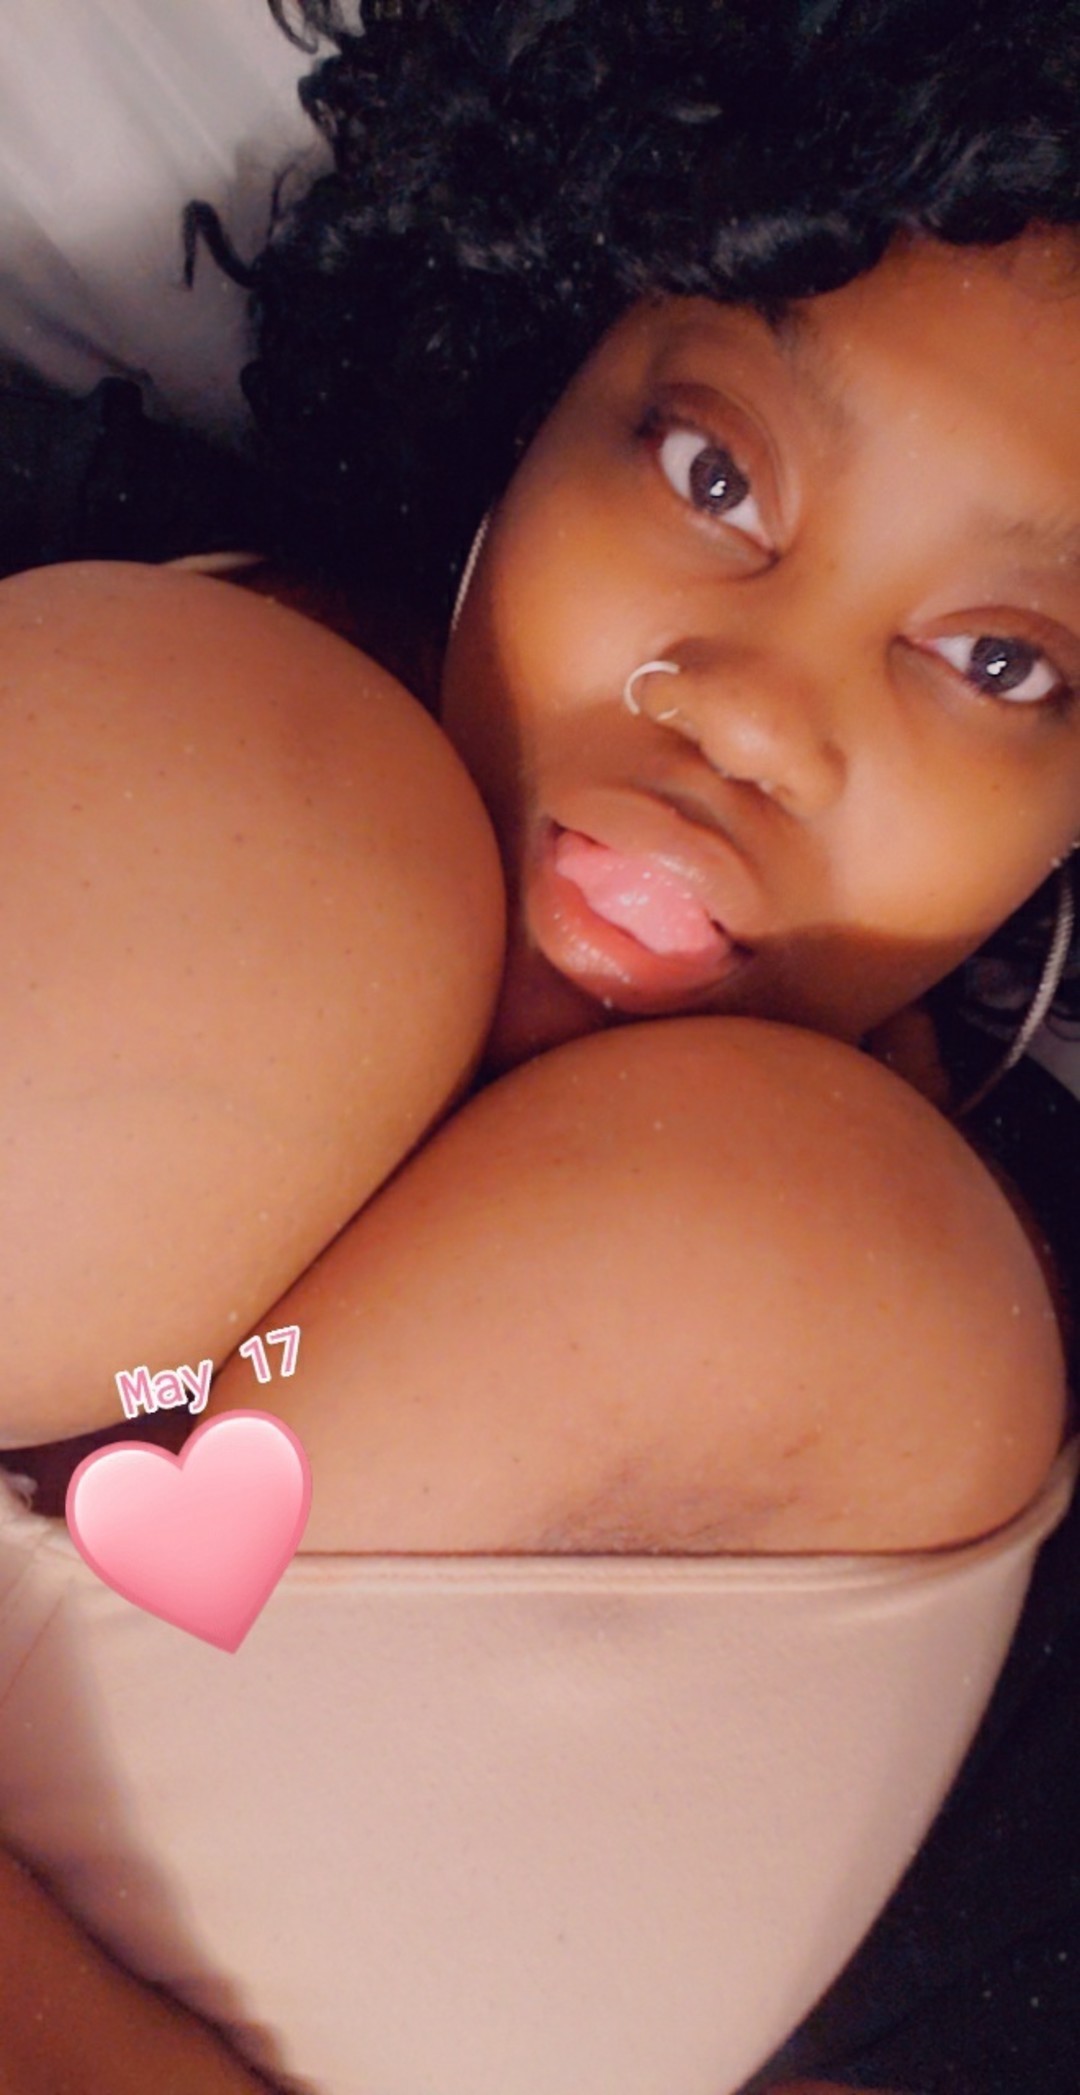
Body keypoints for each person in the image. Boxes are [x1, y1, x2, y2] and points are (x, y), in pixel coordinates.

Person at [1, 1, 1080, 2090]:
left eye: (1001, 659)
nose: (755, 712)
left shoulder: (950, 1445)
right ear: (529, 389)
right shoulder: (105, 621)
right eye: (712, 472)